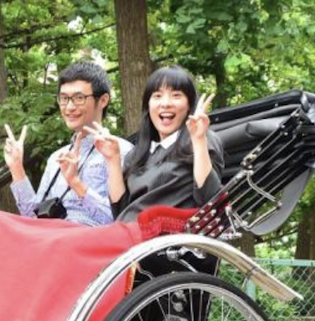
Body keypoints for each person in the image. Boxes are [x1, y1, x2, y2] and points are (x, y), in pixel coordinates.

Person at [3, 61, 130, 226]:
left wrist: (76, 183)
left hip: (87, 241)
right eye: (64, 98)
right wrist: (17, 169)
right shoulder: (57, 158)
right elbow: (33, 219)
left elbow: (119, 220)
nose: (69, 107)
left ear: (103, 100)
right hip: (51, 238)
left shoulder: (122, 151)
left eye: (79, 98)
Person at [91, 65, 223, 222]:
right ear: (148, 105)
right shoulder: (137, 153)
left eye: (176, 95)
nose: (165, 103)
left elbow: (211, 202)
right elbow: (121, 211)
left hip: (167, 237)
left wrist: (199, 140)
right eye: (157, 96)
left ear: (189, 105)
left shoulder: (200, 140)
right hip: (129, 233)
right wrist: (112, 160)